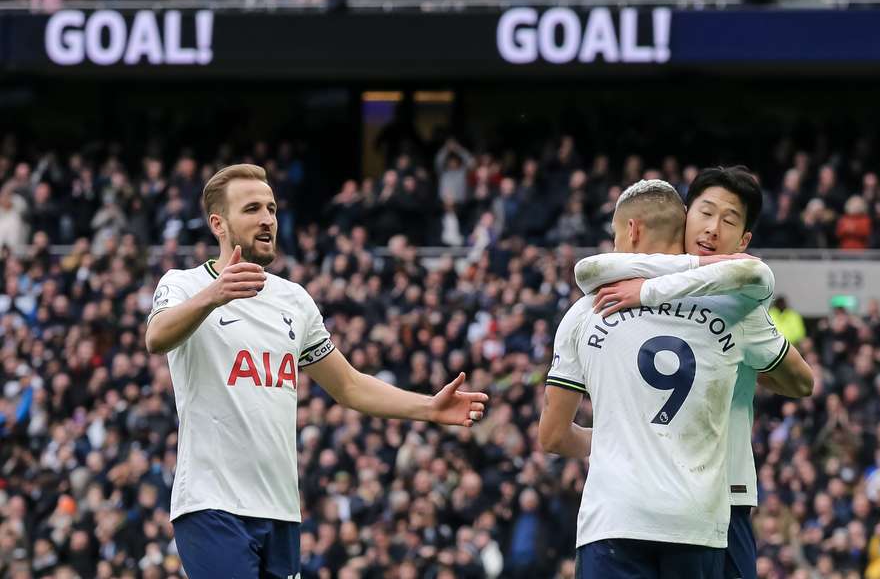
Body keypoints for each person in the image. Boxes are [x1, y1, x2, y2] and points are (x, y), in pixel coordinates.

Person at [144, 164, 489, 579]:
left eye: (271, 208)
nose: (267, 218)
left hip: (281, 509)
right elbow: (156, 337)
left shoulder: (295, 300)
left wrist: (428, 408)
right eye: (252, 208)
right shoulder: (184, 284)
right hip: (211, 505)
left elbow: (348, 385)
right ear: (219, 224)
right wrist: (214, 296)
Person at [539, 179, 813, 578]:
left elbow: (552, 435)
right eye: (704, 213)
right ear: (684, 218)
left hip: (690, 502)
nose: (711, 229)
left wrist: (652, 289)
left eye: (728, 220)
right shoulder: (736, 306)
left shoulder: (591, 306)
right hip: (700, 511)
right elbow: (802, 381)